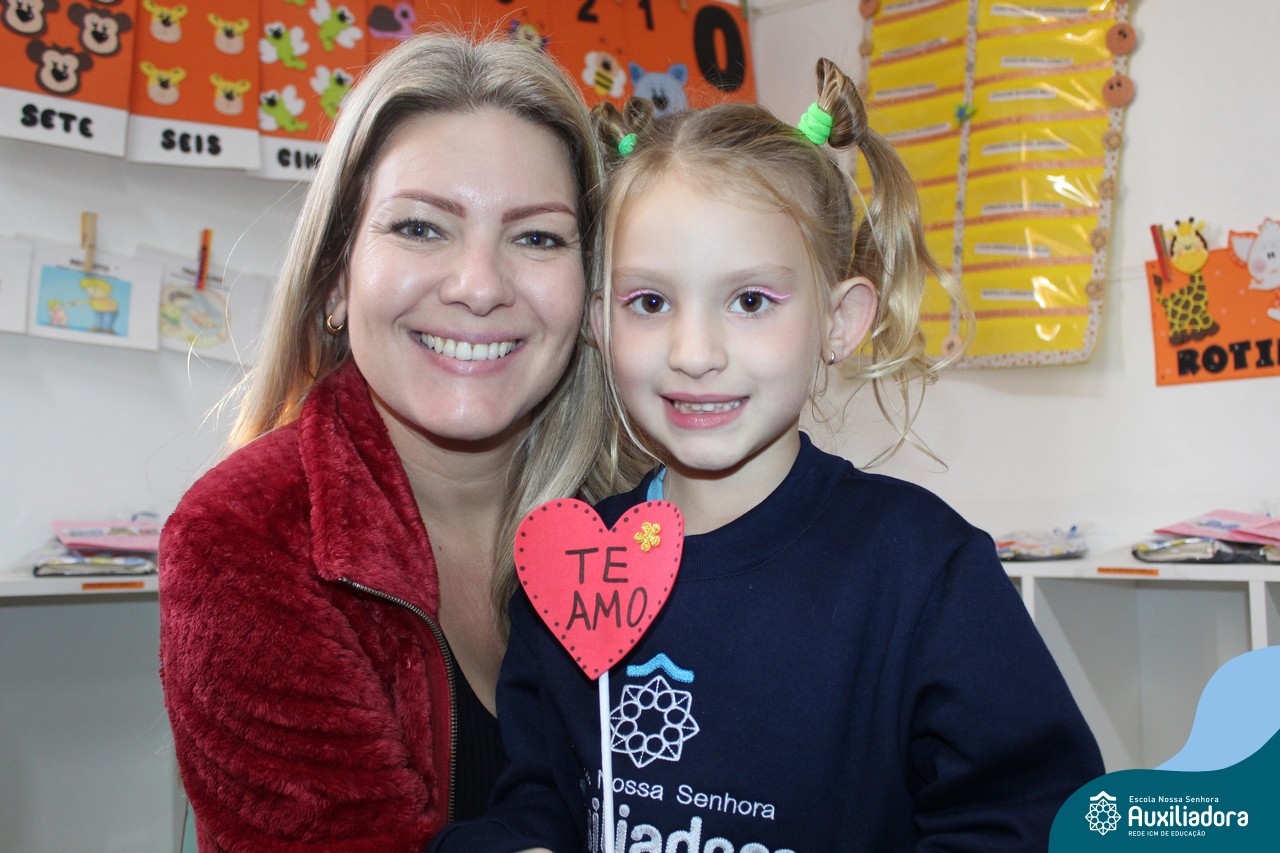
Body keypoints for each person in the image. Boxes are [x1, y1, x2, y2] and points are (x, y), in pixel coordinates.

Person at [429, 58, 1105, 852]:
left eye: (750, 301)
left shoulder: (923, 570)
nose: (694, 353)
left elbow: (1034, 817)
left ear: (840, 321)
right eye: (650, 302)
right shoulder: (573, 566)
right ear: (600, 321)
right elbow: (538, 796)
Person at [158, 30, 642, 852]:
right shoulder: (244, 538)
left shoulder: (648, 521)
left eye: (537, 237)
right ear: (335, 280)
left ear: (592, 297)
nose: (479, 287)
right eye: (420, 227)